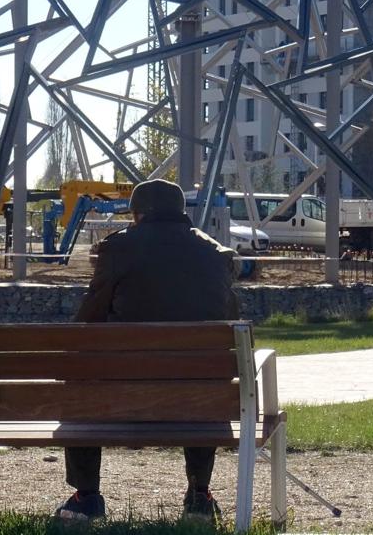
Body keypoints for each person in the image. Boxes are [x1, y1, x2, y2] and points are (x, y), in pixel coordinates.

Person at [57, 179, 239, 523]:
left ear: (137, 214)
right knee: (204, 375)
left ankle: (86, 497)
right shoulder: (216, 253)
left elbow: (88, 322)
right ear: (182, 212)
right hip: (199, 401)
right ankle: (199, 494)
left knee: (78, 381)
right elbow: (230, 319)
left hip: (126, 397)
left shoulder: (118, 249)